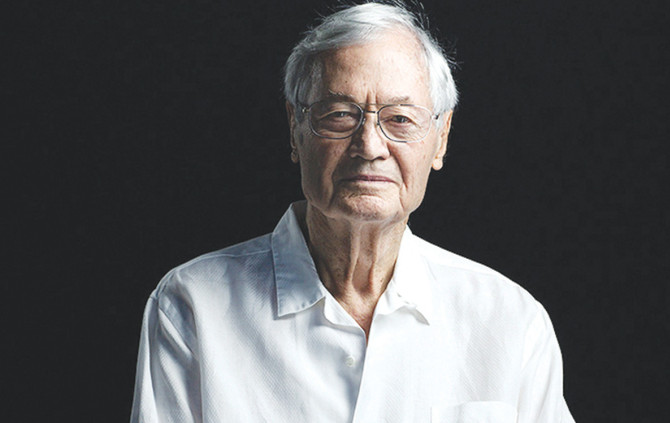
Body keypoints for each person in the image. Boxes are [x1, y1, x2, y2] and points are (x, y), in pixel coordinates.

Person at [130, 2, 575, 422]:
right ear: (295, 128)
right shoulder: (193, 305)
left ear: (440, 138)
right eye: (340, 115)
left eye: (400, 119)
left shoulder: (510, 322)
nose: (370, 146)